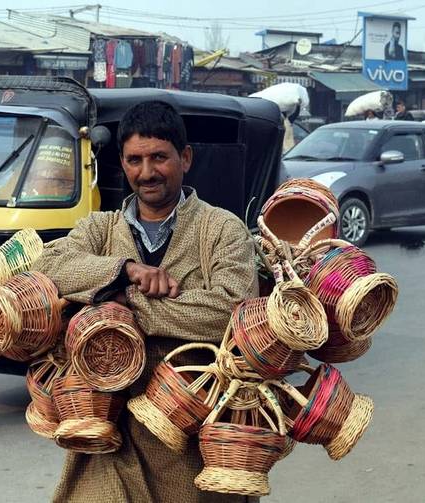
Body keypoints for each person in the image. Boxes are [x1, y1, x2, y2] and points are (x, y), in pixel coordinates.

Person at [32, 101, 258, 503]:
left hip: (189, 435)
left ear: (184, 158)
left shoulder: (221, 229)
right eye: (134, 160)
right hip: (109, 431)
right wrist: (126, 271)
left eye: (159, 157)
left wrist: (122, 305)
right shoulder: (100, 228)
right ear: (122, 162)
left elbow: (232, 312)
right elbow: (48, 268)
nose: (147, 172)